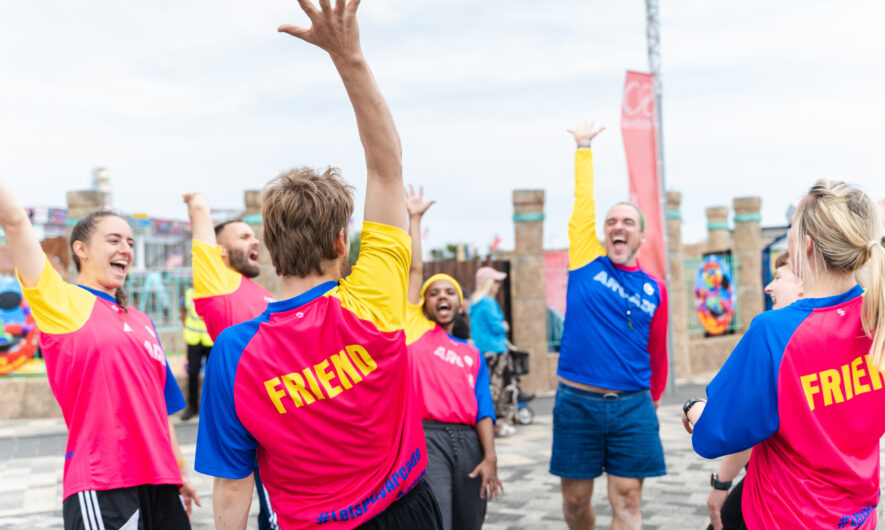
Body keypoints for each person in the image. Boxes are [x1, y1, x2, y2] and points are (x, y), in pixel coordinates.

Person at [194, 1, 442, 528]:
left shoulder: (234, 354)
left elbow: (233, 484)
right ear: (339, 240)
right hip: (404, 510)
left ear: (270, 247)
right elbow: (387, 168)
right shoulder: (372, 298)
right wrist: (348, 57)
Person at [683, 180, 885, 529]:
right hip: (857, 518)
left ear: (805, 245)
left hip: (785, 516)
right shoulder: (876, 320)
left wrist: (694, 409)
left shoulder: (775, 331)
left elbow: (715, 434)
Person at [0, 188, 200, 529]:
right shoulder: (61, 302)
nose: (126, 249)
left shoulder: (142, 321)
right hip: (104, 483)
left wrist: (179, 471)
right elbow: (16, 223)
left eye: (131, 242)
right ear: (81, 249)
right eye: (113, 240)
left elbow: (160, 406)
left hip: (162, 483)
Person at [551, 121, 668, 530]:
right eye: (612, 222)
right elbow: (583, 205)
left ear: (641, 236)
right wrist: (583, 149)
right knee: (575, 502)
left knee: (629, 502)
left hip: (632, 405)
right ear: (604, 233)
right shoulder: (585, 259)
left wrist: (650, 401)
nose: (618, 227)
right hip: (576, 403)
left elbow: (658, 352)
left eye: (627, 222)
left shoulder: (655, 289)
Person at [404, 185, 502, 530]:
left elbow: (484, 408)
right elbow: (415, 270)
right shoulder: (414, 330)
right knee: (437, 519)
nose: (441, 296)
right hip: (428, 437)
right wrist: (414, 219)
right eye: (434, 293)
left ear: (460, 304)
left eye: (449, 292)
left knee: (470, 521)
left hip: (470, 442)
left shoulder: (471, 353)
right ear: (424, 303)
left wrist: (490, 456)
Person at [182, 197, 279, 530]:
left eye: (254, 236)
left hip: (286, 411)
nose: (255, 241)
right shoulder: (219, 283)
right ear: (220, 253)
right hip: (259, 415)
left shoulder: (260, 291)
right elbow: (200, 223)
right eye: (243, 237)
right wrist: (197, 204)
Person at [704, 251, 803, 530]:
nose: (768, 286)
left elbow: (741, 426)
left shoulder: (770, 334)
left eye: (779, 277)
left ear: (805, 283)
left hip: (774, 490)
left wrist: (721, 482)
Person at [468, 266, 516, 436]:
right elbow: (497, 327)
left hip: (481, 351)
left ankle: (489, 423)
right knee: (502, 387)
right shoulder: (489, 302)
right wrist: (504, 326)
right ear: (487, 283)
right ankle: (501, 422)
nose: (497, 286)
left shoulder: (474, 302)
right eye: (495, 282)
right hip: (496, 349)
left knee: (487, 388)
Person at [180, 286, 213, 420]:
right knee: (192, 373)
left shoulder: (214, 290)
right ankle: (192, 407)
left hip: (210, 338)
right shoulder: (189, 293)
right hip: (193, 338)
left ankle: (211, 409)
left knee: (212, 376)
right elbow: (183, 310)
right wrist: (184, 324)